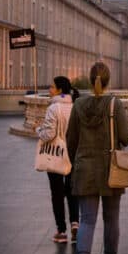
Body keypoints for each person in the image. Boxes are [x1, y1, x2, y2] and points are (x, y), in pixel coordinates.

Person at [66, 62, 128, 254]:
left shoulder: (78, 105)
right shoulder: (115, 104)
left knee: (86, 219)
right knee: (111, 219)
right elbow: (126, 138)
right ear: (107, 80)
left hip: (85, 169)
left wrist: (78, 159)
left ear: (90, 78)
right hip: (110, 170)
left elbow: (71, 139)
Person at [36, 76, 80, 244]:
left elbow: (48, 134)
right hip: (73, 154)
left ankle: (61, 231)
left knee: (57, 193)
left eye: (52, 87)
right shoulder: (76, 106)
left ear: (60, 90)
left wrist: (38, 129)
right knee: (72, 190)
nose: (49, 90)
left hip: (55, 155)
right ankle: (75, 223)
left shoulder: (53, 108)